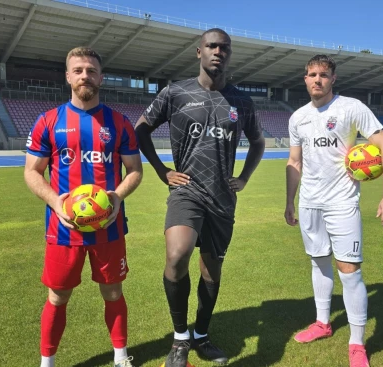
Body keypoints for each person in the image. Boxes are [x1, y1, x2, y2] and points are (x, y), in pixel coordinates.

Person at [134, 28, 266, 367]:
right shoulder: (175, 92)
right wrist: (163, 171)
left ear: (229, 54)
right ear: (199, 52)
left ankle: (202, 335)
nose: (218, 52)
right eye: (212, 46)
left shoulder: (241, 101)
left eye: (224, 48)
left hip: (223, 198)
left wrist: (244, 177)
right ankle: (180, 340)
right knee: (177, 255)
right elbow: (140, 130)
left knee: (211, 272)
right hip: (187, 192)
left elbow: (258, 142)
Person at [24, 47, 143, 367]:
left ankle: (120, 357)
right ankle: (46, 363)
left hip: (110, 228)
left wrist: (116, 197)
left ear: (100, 78)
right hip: (63, 230)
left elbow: (135, 170)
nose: (84, 76)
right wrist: (55, 202)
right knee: (57, 296)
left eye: (90, 70)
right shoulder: (48, 121)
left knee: (113, 293)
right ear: (68, 76)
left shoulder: (119, 123)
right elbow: (32, 172)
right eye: (78, 70)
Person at [284, 54, 383, 367]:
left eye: (323, 74)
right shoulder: (297, 118)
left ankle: (357, 343)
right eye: (311, 74)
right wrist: (289, 202)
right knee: (319, 263)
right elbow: (295, 162)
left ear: (333, 78)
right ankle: (323, 323)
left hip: (342, 203)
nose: (317, 79)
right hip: (310, 203)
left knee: (349, 272)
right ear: (304, 78)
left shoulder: (350, 108)